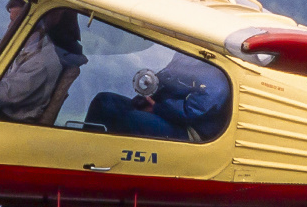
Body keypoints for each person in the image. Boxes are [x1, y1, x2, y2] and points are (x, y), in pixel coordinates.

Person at [85, 52, 229, 141]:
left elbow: (192, 111)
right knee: (104, 101)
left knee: (132, 119)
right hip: (166, 112)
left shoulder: (217, 72)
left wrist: (157, 107)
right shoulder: (186, 54)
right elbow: (166, 78)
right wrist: (147, 96)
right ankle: (84, 151)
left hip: (191, 130)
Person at [0, 7, 87, 122]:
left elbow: (6, 94)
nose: (9, 26)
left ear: (33, 23)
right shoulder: (30, 51)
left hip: (8, 123)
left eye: (14, 21)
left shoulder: (43, 61)